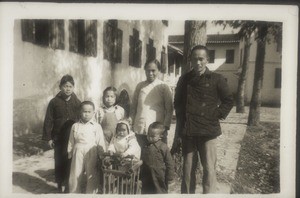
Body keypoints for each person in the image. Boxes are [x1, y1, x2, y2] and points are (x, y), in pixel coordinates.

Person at [173, 45, 234, 194]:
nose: (198, 63)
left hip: (209, 131)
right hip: (189, 131)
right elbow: (178, 103)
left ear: (207, 60)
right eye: (194, 59)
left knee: (209, 169)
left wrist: (216, 115)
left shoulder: (217, 79)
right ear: (190, 61)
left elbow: (228, 100)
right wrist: (181, 127)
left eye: (201, 59)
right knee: (187, 170)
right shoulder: (184, 79)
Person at [42, 74, 81, 193]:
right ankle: (59, 183)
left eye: (70, 86)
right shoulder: (54, 102)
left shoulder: (77, 102)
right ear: (60, 87)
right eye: (65, 86)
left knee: (70, 159)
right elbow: (48, 120)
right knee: (59, 160)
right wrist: (48, 138)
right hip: (58, 137)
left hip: (72, 137)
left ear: (73, 87)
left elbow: (81, 117)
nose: (68, 89)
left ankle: (68, 184)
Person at [130, 59, 173, 147]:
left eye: (153, 71)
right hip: (140, 128)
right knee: (140, 155)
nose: (150, 73)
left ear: (159, 71)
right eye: (148, 70)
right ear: (145, 70)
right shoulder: (140, 86)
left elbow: (169, 109)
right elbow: (134, 107)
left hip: (157, 131)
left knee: (157, 156)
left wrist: (165, 127)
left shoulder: (163, 87)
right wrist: (131, 122)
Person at [67, 101, 106, 194]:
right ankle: (74, 193)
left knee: (92, 173)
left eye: (89, 112)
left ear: (93, 113)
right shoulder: (75, 126)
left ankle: (91, 193)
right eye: (84, 111)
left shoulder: (96, 126)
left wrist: (102, 154)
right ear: (80, 112)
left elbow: (100, 141)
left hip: (91, 150)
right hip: (78, 150)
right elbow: (71, 140)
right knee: (75, 173)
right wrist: (69, 152)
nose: (86, 114)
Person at [140, 122, 175, 194]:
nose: (149, 138)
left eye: (153, 136)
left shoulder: (163, 147)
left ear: (160, 136)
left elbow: (169, 163)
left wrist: (170, 177)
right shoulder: (145, 146)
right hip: (147, 175)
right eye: (148, 135)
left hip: (159, 176)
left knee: (160, 191)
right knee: (146, 191)